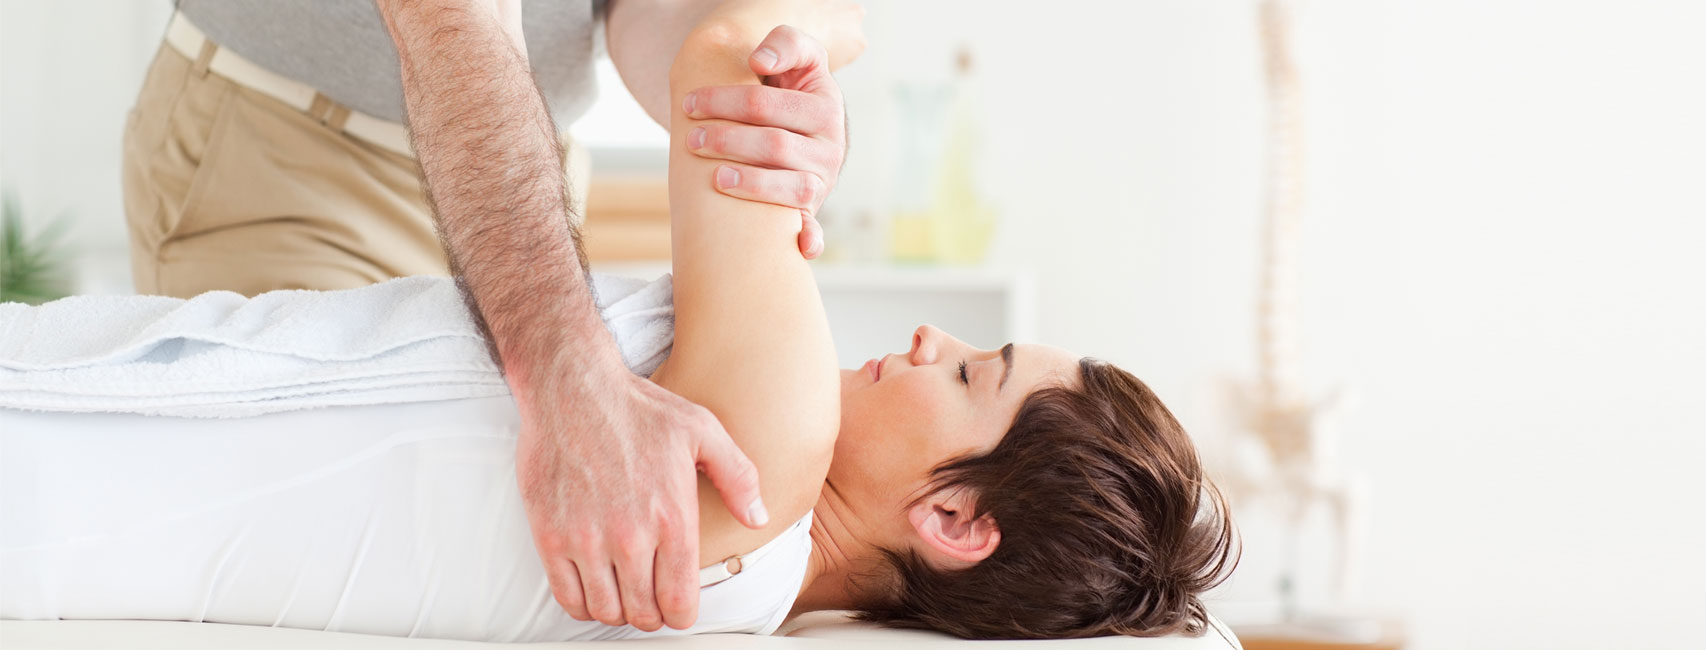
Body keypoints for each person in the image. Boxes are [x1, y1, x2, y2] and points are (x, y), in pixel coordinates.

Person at [2, 2, 1238, 641]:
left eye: (973, 371)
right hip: (295, 112)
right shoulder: (741, 591)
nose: (928, 340)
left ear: (955, 518)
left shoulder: (772, 443)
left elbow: (719, 35)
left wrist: (823, 55)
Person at [120, 0, 862, 630]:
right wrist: (568, 375)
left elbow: (649, 18)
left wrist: (769, 100)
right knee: (303, 550)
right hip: (293, 146)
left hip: (517, 160)